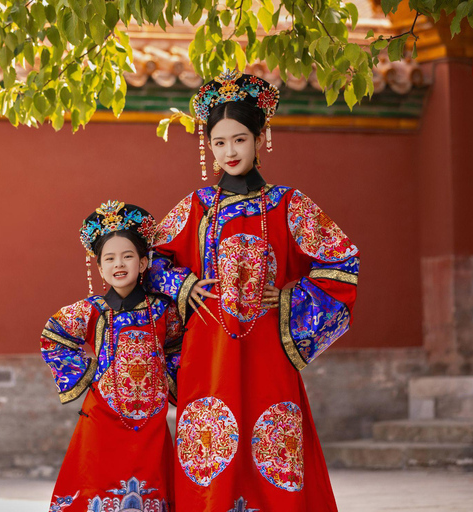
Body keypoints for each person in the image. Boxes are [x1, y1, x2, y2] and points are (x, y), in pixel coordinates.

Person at [148, 69, 359, 512]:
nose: (229, 151)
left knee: (273, 450)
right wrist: (183, 285)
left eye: (239, 139)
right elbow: (150, 263)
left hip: (268, 350)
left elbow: (342, 263)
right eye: (219, 142)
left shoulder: (289, 205)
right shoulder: (196, 207)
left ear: (261, 138)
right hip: (208, 352)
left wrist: (289, 298)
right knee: (210, 452)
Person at [40, 201, 183, 512]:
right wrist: (91, 376)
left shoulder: (163, 309)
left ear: (144, 263)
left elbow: (178, 346)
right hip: (102, 415)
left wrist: (166, 382)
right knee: (96, 486)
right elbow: (53, 336)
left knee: (151, 488)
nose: (119, 264)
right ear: (101, 267)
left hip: (151, 420)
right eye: (110, 258)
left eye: (128, 256)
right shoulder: (92, 310)